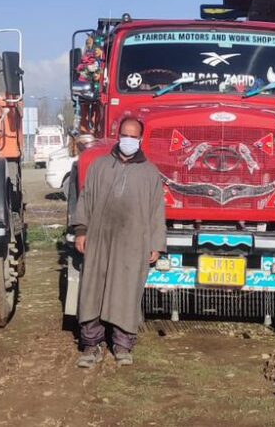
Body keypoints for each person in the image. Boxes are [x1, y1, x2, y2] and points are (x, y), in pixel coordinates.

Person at [71, 116, 166, 368]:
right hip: (100, 239)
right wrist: (81, 230)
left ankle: (123, 346)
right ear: (118, 135)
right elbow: (86, 199)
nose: (128, 140)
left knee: (126, 291)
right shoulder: (100, 166)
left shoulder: (150, 173)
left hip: (133, 242)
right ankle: (91, 345)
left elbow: (157, 211)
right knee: (93, 290)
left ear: (140, 140)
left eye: (133, 137)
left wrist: (156, 244)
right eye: (125, 134)